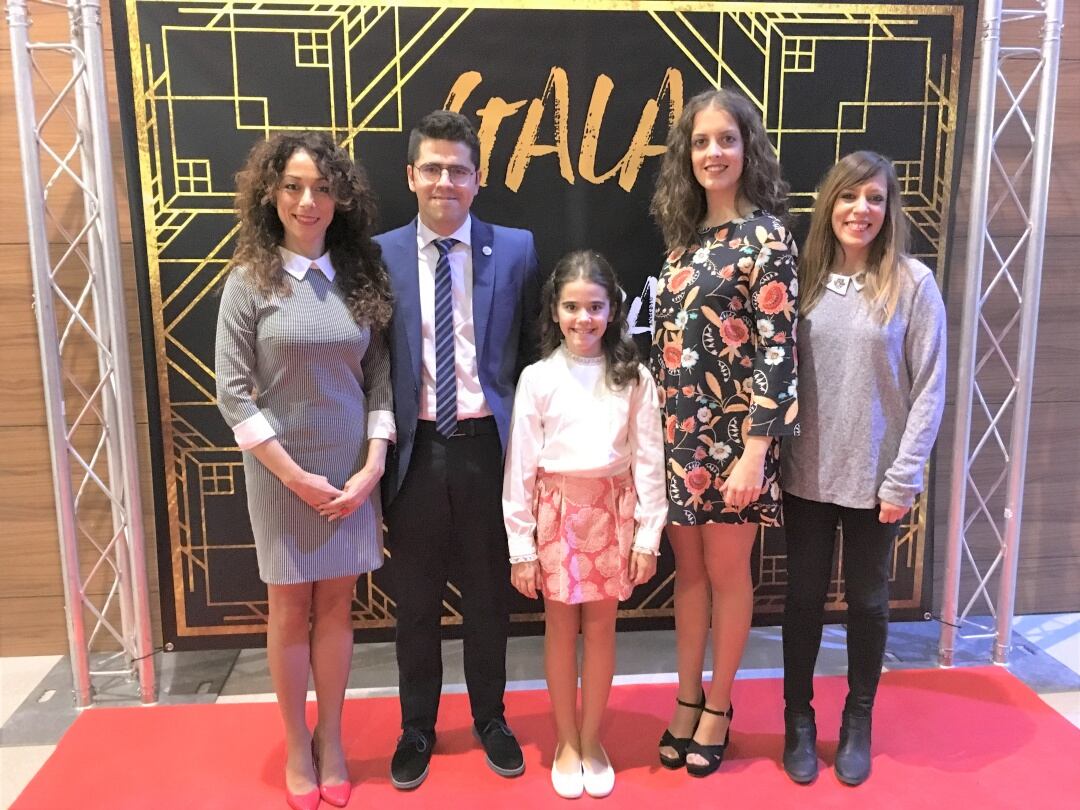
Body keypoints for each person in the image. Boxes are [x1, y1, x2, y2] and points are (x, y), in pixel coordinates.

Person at [215, 131, 394, 810]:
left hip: (350, 476)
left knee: (339, 607)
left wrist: (372, 466)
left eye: (321, 187)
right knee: (290, 607)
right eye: (293, 186)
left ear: (340, 197)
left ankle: (334, 741)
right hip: (282, 477)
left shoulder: (359, 278)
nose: (308, 200)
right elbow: (232, 390)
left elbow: (381, 379)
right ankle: (297, 744)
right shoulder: (248, 282)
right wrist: (293, 476)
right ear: (270, 194)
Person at [375, 109, 541, 790]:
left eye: (459, 170)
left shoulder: (519, 248)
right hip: (413, 453)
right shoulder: (379, 255)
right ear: (411, 176)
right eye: (433, 169)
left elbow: (534, 355)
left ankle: (491, 718)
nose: (446, 181)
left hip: (486, 450)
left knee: (487, 601)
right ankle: (417, 727)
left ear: (479, 179)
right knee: (413, 603)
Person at [779, 151, 946, 786]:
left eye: (874, 198)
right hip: (807, 472)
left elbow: (929, 386)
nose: (861, 210)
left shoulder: (911, 283)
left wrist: (904, 477)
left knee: (870, 604)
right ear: (828, 205)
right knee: (801, 601)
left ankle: (858, 719)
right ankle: (799, 720)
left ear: (889, 208)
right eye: (850, 197)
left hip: (879, 478)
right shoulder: (802, 278)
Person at [649, 88, 799, 777]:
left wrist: (756, 451)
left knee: (728, 572)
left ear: (747, 148)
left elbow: (778, 347)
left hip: (737, 443)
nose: (714, 153)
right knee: (690, 577)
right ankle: (687, 697)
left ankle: (722, 705)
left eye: (726, 140)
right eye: (701, 142)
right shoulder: (682, 245)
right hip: (679, 436)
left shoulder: (767, 236)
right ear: (688, 154)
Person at [503, 250, 666, 798]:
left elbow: (649, 460)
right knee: (559, 629)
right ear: (554, 310)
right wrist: (519, 547)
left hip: (612, 512)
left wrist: (648, 535)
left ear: (613, 310)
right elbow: (521, 467)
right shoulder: (537, 378)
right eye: (571, 307)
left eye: (595, 307)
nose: (583, 320)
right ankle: (566, 739)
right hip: (556, 515)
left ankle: (592, 738)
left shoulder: (634, 376)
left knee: (600, 630)